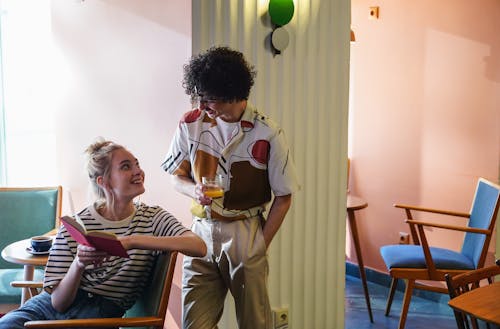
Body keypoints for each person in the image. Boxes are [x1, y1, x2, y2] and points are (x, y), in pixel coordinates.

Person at [161, 46, 300, 329]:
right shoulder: (191, 124)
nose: (201, 107)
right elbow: (176, 177)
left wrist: (260, 245)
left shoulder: (267, 132)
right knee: (194, 323)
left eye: (208, 98)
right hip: (200, 231)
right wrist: (193, 191)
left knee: (254, 322)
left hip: (245, 231)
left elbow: (284, 197)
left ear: (232, 93)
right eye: (198, 97)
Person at [0, 139, 206, 329]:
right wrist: (79, 264)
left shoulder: (153, 218)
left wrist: (131, 241)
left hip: (99, 315)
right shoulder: (77, 223)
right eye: (126, 167)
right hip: (44, 309)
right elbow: (58, 303)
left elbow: (198, 246)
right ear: (103, 182)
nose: (138, 171)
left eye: (137, 164)